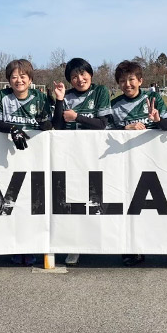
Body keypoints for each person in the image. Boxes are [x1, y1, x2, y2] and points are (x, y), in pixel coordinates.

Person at [0, 59, 52, 266]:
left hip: (34, 157)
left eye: (23, 76)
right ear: (8, 80)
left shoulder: (39, 97)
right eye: (14, 77)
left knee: (33, 202)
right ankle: (14, 245)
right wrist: (12, 129)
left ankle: (31, 246)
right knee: (10, 204)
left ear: (30, 79)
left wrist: (45, 122)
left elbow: (48, 124)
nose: (19, 80)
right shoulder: (3, 96)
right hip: (8, 158)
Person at [108, 60, 167, 266]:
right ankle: (130, 248)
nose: (127, 84)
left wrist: (157, 119)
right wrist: (124, 129)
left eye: (131, 79)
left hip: (152, 161)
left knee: (151, 207)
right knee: (129, 206)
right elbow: (103, 131)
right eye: (122, 81)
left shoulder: (153, 98)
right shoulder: (114, 105)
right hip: (125, 163)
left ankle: (150, 244)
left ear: (140, 81)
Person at [52, 57, 113, 267]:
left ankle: (100, 240)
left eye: (83, 74)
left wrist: (77, 117)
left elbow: (103, 124)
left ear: (90, 74)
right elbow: (57, 127)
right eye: (74, 76)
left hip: (97, 156)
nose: (79, 79)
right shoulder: (67, 96)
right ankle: (74, 245)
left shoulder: (100, 91)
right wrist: (60, 100)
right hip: (71, 157)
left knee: (97, 200)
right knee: (74, 200)